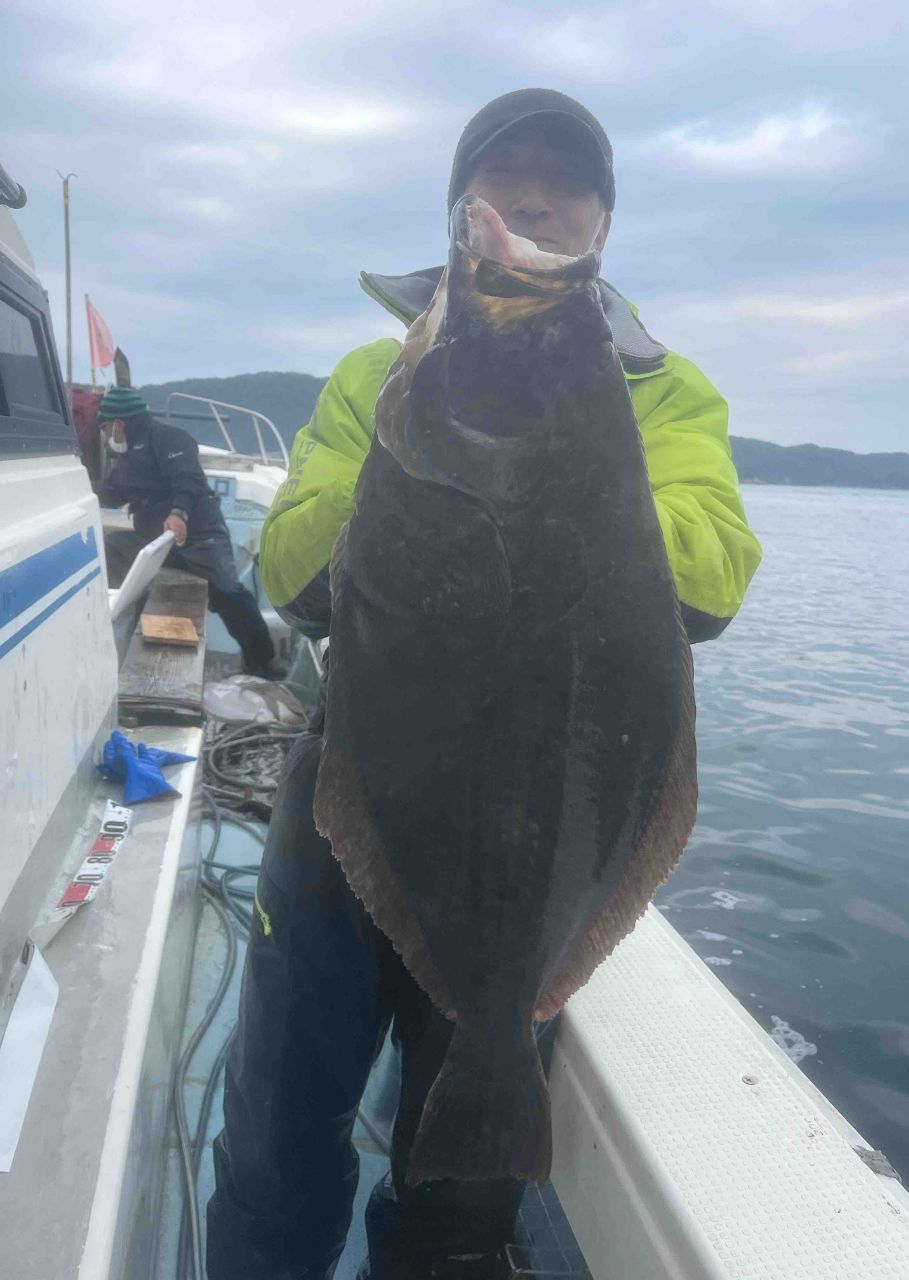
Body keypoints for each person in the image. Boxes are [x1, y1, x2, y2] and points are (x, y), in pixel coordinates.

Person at [206, 88, 763, 1280]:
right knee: (273, 1137)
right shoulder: (375, 371)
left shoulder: (665, 392)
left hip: (546, 812)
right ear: (464, 208)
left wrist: (564, 490)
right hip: (364, 782)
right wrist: (416, 486)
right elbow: (290, 569)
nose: (533, 192)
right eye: (506, 169)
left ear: (601, 225)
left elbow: (713, 576)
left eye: (564, 178)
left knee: (460, 1205)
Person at [94, 385, 282, 678]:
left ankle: (262, 661)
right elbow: (108, 495)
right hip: (157, 541)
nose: (106, 435)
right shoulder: (128, 460)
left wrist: (178, 514)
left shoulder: (170, 439)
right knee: (111, 546)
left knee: (228, 592)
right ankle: (119, 638)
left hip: (199, 536)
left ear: (119, 424)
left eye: (105, 428)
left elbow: (188, 480)